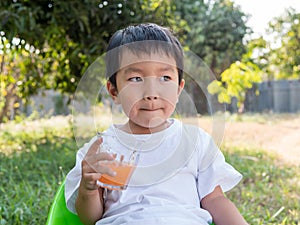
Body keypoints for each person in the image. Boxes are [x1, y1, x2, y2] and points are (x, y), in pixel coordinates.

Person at [65, 23, 248, 225]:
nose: (151, 93)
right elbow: (90, 218)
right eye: (135, 78)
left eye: (165, 77)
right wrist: (88, 188)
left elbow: (215, 199)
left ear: (179, 89)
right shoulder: (101, 150)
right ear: (114, 91)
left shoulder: (195, 142)